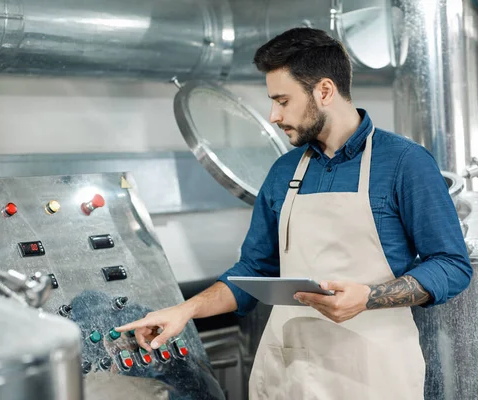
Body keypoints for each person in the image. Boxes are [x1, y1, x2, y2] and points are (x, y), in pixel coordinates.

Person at [116, 27, 472, 399]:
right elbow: (253, 271)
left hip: (372, 375)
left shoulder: (404, 162)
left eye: (282, 101)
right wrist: (185, 312)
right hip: (289, 373)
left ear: (324, 91)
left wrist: (368, 296)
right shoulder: (284, 171)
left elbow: (451, 264)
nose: (273, 115)